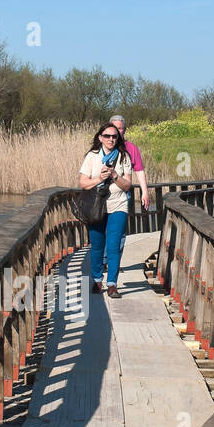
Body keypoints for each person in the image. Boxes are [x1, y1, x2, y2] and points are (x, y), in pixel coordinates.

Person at [79, 123, 133, 298]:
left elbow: (127, 185)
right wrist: (99, 178)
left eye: (114, 136)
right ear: (100, 137)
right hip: (96, 207)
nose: (111, 139)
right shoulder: (92, 157)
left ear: (118, 138)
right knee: (97, 246)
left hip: (118, 205)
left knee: (113, 246)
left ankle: (112, 284)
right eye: (107, 136)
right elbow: (83, 183)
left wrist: (114, 176)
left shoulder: (124, 157)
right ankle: (96, 280)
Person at [109, 115, 150, 212]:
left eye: (120, 128)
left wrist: (145, 192)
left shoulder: (131, 148)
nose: (118, 131)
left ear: (125, 130)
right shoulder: (102, 146)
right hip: (103, 194)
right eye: (115, 128)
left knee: (118, 225)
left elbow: (139, 171)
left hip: (122, 194)